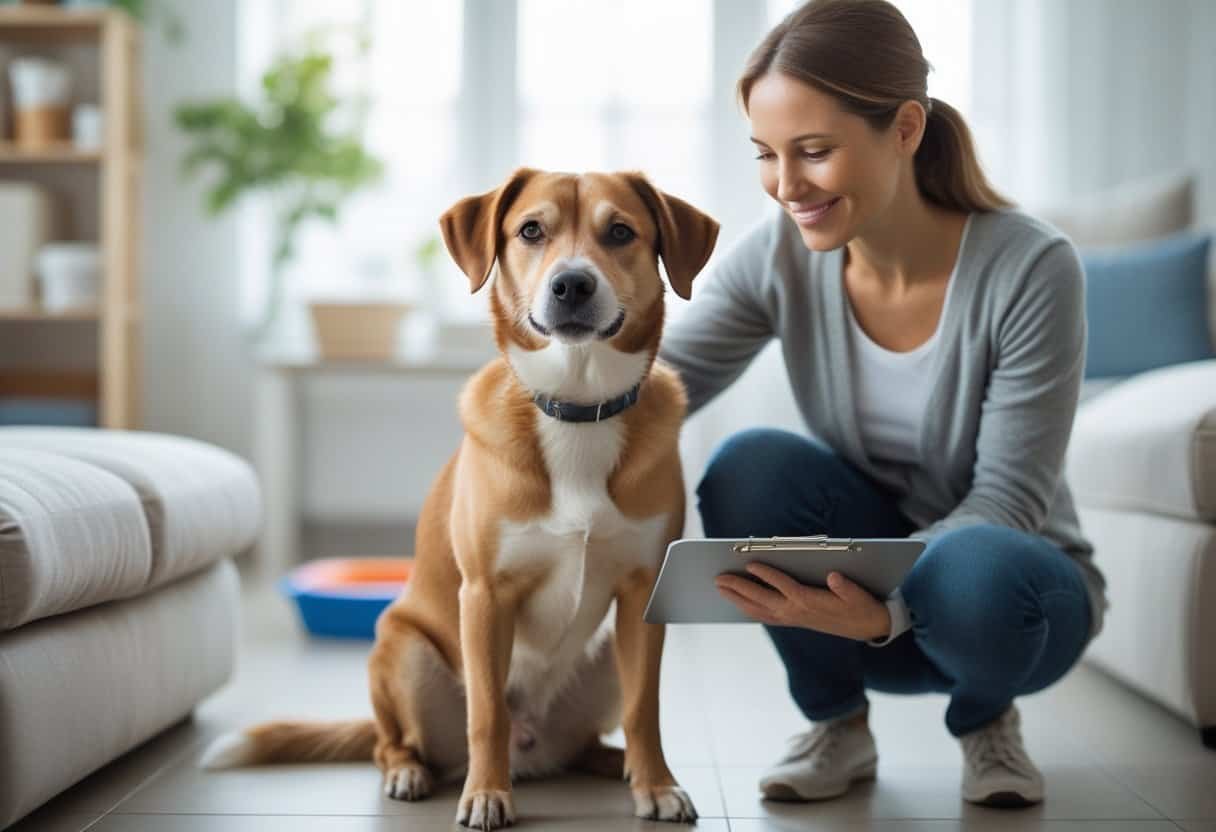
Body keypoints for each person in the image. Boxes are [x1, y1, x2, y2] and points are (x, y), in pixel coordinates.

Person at [656, 0, 1108, 809]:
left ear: (904, 127)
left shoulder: (1032, 267)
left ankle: (985, 720)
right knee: (748, 468)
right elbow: (654, 389)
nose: (786, 187)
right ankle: (836, 723)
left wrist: (883, 613)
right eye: (766, 154)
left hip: (1010, 613)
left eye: (815, 151)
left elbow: (1006, 502)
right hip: (852, 618)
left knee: (974, 572)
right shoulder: (779, 258)